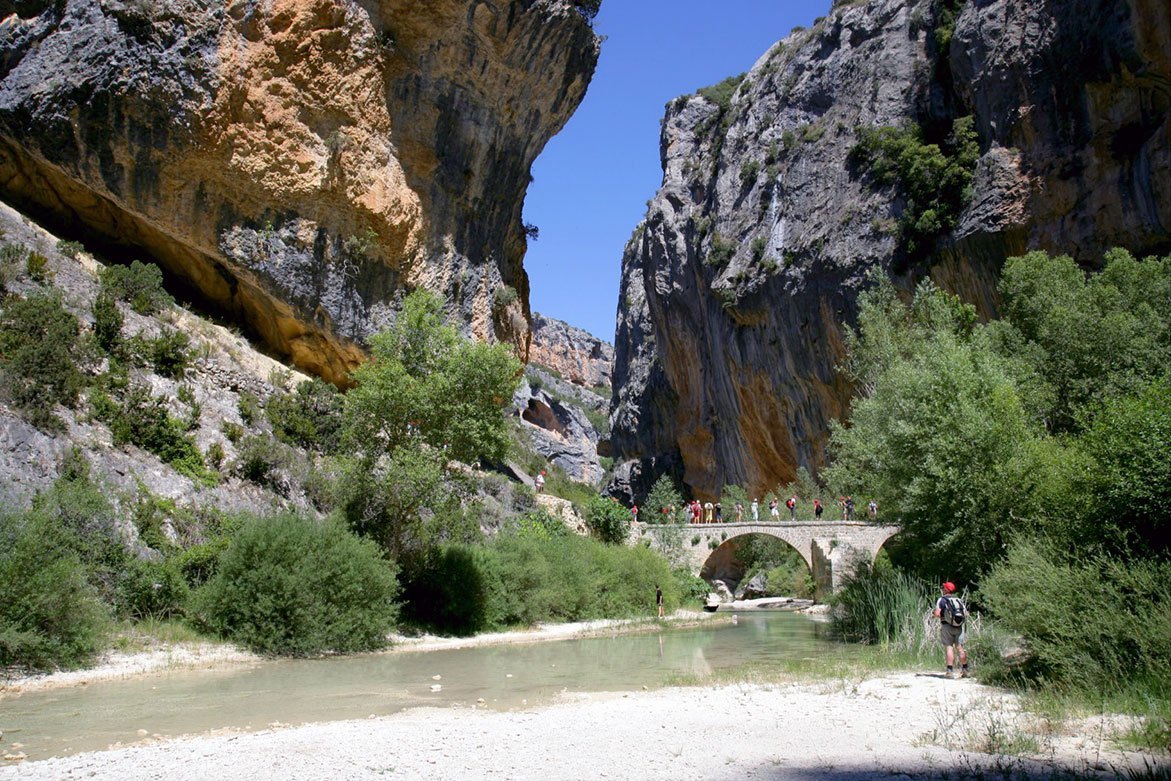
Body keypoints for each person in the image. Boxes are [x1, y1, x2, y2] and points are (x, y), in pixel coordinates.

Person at [933, 582, 969, 678]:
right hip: (959, 627)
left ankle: (950, 671)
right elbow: (966, 614)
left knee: (949, 647)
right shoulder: (958, 600)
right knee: (960, 648)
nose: (942, 588)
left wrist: (936, 614)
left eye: (943, 587)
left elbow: (937, 614)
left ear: (946, 590)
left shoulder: (942, 600)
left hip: (947, 626)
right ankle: (965, 670)